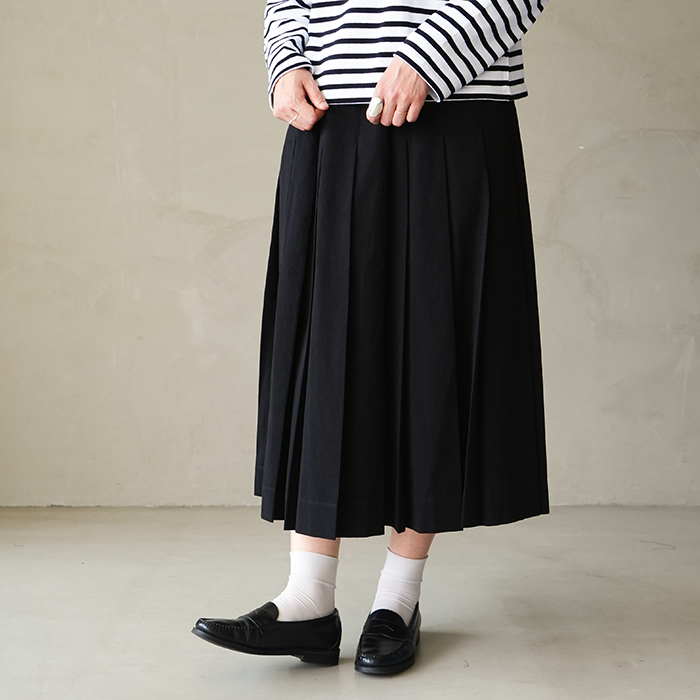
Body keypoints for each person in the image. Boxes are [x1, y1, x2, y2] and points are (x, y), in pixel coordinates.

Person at [193, 0, 550, 676]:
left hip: (451, 106)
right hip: (329, 117)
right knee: (323, 352)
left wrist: (429, 58)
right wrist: (285, 62)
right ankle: (308, 599)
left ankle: (397, 598)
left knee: (437, 351)